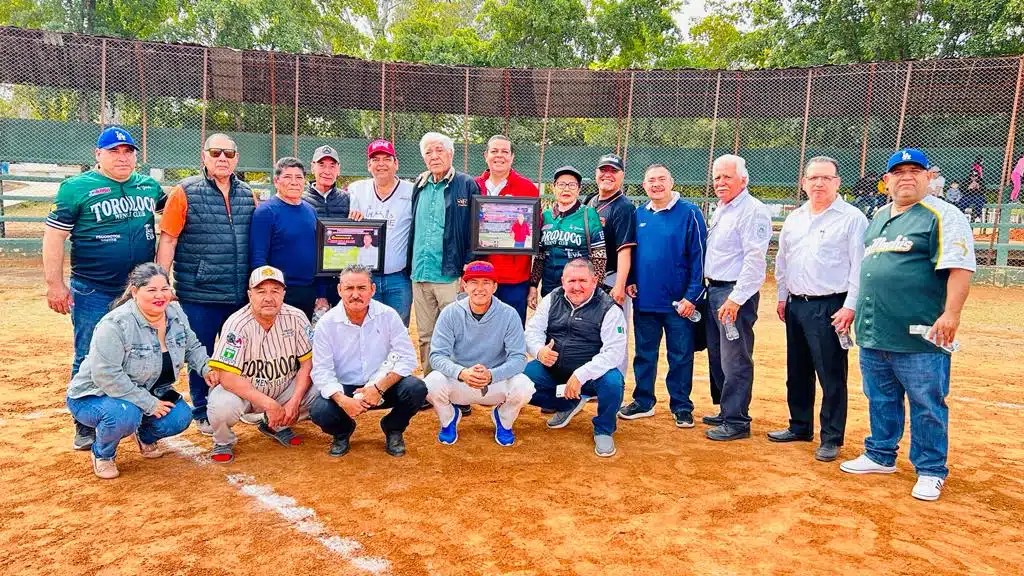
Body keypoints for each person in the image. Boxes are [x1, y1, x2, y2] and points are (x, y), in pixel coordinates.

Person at [840, 148, 976, 502]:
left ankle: (930, 469)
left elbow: (960, 266)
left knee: (926, 402)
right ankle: (880, 454)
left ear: (929, 177)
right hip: (876, 329)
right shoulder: (880, 216)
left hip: (920, 332)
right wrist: (853, 308)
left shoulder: (943, 214)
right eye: (898, 172)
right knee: (880, 396)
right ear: (886, 182)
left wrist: (952, 314)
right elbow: (867, 271)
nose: (906, 177)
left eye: (915, 170)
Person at [44, 126, 165, 451]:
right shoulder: (76, 188)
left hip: (140, 292)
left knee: (147, 352)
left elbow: (170, 225)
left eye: (128, 151)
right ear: (98, 155)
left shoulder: (149, 186)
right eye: (114, 151)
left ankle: (144, 417)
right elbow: (54, 236)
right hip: (93, 288)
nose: (122, 157)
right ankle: (84, 424)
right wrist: (55, 285)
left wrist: (163, 277)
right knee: (88, 353)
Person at [66, 263, 216, 479]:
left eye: (164, 289)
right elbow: (106, 376)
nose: (160, 296)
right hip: (95, 395)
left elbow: (192, 346)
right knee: (124, 414)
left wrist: (206, 368)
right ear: (135, 291)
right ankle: (103, 454)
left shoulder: (175, 313)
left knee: (180, 417)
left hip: (147, 389)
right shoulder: (115, 324)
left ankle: (145, 436)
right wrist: (149, 403)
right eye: (151, 290)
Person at [156, 133, 257, 435]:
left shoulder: (248, 194)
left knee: (238, 352)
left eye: (228, 153)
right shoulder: (184, 192)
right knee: (200, 353)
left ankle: (240, 403)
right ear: (204, 157)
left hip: (238, 292)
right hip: (198, 292)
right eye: (215, 153)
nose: (222, 159)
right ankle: (202, 409)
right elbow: (169, 239)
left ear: (237, 158)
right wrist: (162, 283)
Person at [770, 157, 868, 462]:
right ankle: (799, 425)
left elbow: (860, 268)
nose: (819, 184)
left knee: (830, 373)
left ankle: (832, 437)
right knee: (797, 370)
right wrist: (782, 296)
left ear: (838, 182)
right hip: (796, 305)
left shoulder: (852, 218)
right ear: (804, 182)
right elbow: (782, 261)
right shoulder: (795, 218)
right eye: (813, 178)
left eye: (826, 178)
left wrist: (850, 307)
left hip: (831, 306)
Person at [619, 165, 707, 428]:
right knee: (645, 353)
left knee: (680, 355)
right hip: (645, 300)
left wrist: (692, 297)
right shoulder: (638, 214)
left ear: (671, 182)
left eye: (661, 180)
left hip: (680, 303)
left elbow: (700, 258)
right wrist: (632, 279)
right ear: (644, 186)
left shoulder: (690, 212)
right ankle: (643, 401)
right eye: (650, 181)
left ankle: (681, 406)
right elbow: (632, 252)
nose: (656, 184)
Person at [309, 265, 427, 457]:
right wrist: (342, 400)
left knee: (416, 388)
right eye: (349, 288)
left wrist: (379, 388)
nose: (355, 294)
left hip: (382, 386)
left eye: (361, 288)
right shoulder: (326, 324)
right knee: (319, 410)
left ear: (373, 289)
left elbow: (407, 357)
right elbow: (321, 371)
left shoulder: (388, 315)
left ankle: (393, 428)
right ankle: (343, 431)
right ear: (339, 290)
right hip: (345, 388)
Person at [205, 266, 318, 463]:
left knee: (323, 388)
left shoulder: (297, 317)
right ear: (250, 295)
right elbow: (227, 377)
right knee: (221, 404)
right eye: (261, 291)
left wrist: (294, 401)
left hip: (283, 389)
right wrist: (269, 404)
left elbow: (308, 363)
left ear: (283, 294)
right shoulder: (236, 324)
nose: (268, 297)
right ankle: (223, 441)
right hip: (246, 395)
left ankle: (275, 425)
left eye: (275, 291)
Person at [523, 259, 627, 457]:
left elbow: (614, 352)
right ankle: (568, 404)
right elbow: (532, 331)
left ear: (594, 281)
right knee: (520, 381)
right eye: (571, 281)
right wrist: (539, 351)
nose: (576, 287)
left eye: (583, 281)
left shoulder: (609, 308)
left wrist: (581, 374)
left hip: (591, 377)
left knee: (613, 382)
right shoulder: (553, 298)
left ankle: (604, 429)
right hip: (554, 370)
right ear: (563, 281)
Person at [423, 261, 534, 446]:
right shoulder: (450, 313)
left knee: (524, 386)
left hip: (494, 382)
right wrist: (462, 372)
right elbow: (436, 356)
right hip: (460, 381)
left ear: (495, 286)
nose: (479, 288)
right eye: (473, 282)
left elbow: (519, 358)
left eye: (486, 282)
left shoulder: (509, 314)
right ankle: (449, 419)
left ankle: (504, 420)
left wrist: (492, 375)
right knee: (431, 383)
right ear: (464, 285)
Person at [702, 154, 772, 441]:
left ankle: (737, 420)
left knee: (735, 357)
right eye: (717, 177)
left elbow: (755, 261)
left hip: (733, 294)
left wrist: (736, 299)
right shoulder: (722, 209)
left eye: (727, 177)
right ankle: (725, 410)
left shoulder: (752, 211)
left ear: (743, 180)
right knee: (718, 355)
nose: (720, 182)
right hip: (715, 289)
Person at [409, 132, 480, 374]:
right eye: (428, 152)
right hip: (420, 274)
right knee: (426, 335)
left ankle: (459, 387)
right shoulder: (419, 185)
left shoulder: (466, 184)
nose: (434, 156)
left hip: (450, 275)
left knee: (457, 334)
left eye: (439, 150)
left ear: (451, 153)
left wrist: (467, 268)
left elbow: (475, 228)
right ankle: (431, 385)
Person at [474, 135, 540, 325]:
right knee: (480, 330)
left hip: (515, 277)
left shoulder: (527, 188)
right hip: (480, 274)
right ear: (486, 155)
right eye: (494, 151)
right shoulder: (473, 185)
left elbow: (534, 229)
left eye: (505, 152)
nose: (499, 156)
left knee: (512, 329)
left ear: (512, 157)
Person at [347, 139, 415, 326]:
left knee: (398, 330)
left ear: (396, 163)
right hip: (366, 277)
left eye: (387, 159)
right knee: (366, 328)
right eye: (375, 159)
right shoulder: (357, 189)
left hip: (399, 277)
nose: (381, 164)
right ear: (369, 165)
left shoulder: (411, 191)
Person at [250, 157, 320, 320]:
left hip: (307, 291)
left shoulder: (311, 211)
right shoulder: (266, 212)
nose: (294, 182)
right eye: (288, 177)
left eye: (299, 177)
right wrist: (268, 293)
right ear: (276, 181)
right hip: (279, 292)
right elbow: (258, 257)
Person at [586, 154, 637, 377]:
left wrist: (620, 285)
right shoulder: (590, 201)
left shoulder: (623, 206)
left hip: (611, 277)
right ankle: (594, 382)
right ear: (596, 173)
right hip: (590, 279)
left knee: (614, 334)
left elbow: (625, 248)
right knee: (591, 333)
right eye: (603, 170)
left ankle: (615, 385)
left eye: (613, 171)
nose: (607, 174)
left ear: (622, 176)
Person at [529, 166, 607, 304]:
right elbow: (540, 256)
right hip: (550, 288)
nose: (566, 189)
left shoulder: (588, 215)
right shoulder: (545, 216)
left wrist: (596, 289)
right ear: (553, 188)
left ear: (579, 189)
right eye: (561, 184)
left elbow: (599, 256)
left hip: (579, 289)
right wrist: (533, 285)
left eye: (572, 185)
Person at [302, 145, 350, 311]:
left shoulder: (348, 199)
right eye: (322, 165)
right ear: (312, 166)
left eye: (332, 165)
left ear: (338, 169)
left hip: (341, 279)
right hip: (309, 280)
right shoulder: (300, 199)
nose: (327, 171)